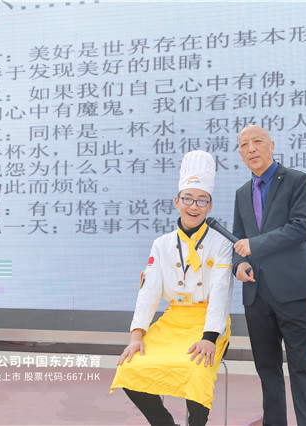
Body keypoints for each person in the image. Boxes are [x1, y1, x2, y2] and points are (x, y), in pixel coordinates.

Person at [111, 150, 233, 426]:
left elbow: (221, 293)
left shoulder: (221, 243)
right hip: (173, 320)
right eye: (188, 198)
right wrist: (136, 335)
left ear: (210, 206)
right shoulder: (162, 244)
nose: (194, 206)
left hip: (208, 324)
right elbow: (149, 292)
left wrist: (209, 337)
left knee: (197, 369)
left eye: (201, 200)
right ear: (176, 201)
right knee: (130, 368)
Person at [232, 125, 306, 425]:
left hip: (291, 289)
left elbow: (302, 227)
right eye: (244, 145)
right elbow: (238, 238)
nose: (251, 149)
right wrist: (238, 264)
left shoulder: (297, 180)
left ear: (271, 145)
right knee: (266, 367)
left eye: (257, 141)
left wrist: (255, 245)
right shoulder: (242, 193)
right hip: (255, 293)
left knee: (301, 366)